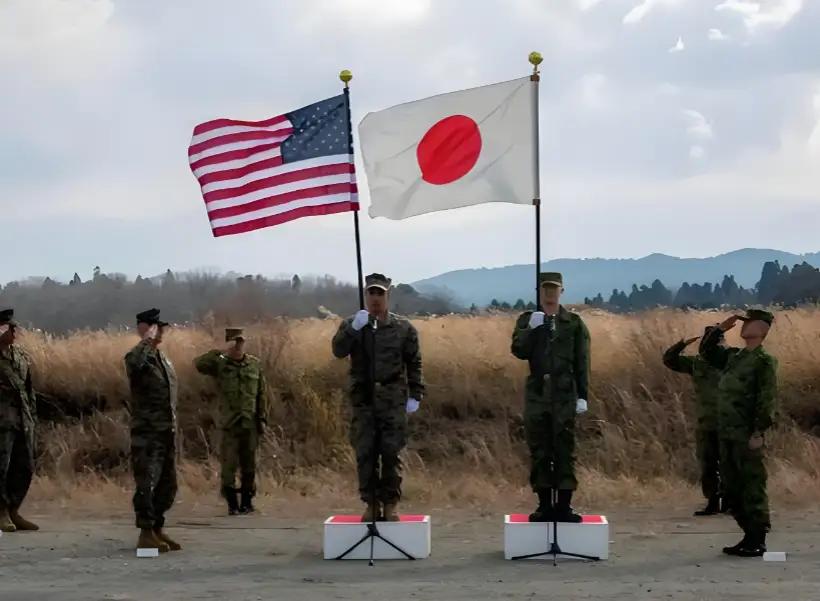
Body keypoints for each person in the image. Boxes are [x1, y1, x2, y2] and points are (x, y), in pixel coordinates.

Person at [331, 273, 425, 522]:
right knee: (366, 453)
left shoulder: (403, 327)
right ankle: (371, 503)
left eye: (380, 293)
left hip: (392, 398)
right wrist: (353, 330)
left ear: (387, 295)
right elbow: (338, 351)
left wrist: (416, 393)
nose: (375, 298)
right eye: (371, 293)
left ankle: (391, 503)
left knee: (392, 453)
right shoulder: (354, 324)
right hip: (364, 399)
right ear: (365, 295)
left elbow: (414, 362)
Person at [511, 273, 590, 523]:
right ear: (539, 291)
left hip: (565, 392)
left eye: (554, 289)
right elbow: (519, 351)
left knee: (564, 448)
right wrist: (532, 330)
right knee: (540, 450)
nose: (549, 293)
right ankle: (544, 505)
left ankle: (564, 506)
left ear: (562, 291)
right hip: (538, 392)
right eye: (545, 288)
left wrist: (583, 395)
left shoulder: (574, 323)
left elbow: (582, 361)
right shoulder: (528, 320)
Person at [699, 309, 777, 557]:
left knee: (751, 485)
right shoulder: (735, 357)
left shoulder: (764, 361)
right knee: (731, 488)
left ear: (762, 329)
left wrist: (758, 431)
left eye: (748, 323)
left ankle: (757, 538)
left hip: (746, 434)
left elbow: (766, 400)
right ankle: (747, 534)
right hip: (727, 433)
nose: (743, 327)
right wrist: (720, 329)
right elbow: (707, 353)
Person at [194, 328, 269, 516]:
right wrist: (219, 351)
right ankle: (232, 504)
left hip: (250, 423)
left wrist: (262, 419)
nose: (238, 346)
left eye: (240, 342)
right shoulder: (220, 364)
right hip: (230, 424)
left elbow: (262, 394)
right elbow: (199, 364)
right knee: (229, 466)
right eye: (234, 343)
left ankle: (247, 502)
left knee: (249, 466)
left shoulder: (254, 365)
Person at [124, 308, 181, 552]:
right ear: (144, 328)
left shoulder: (162, 359)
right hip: (146, 433)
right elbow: (135, 362)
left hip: (165, 431)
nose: (161, 332)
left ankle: (157, 528)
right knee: (147, 482)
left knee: (168, 485)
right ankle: (145, 536)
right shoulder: (137, 358)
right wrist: (146, 339)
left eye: (162, 328)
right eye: (156, 327)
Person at [663, 327, 727, 516]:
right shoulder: (697, 363)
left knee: (731, 464)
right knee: (707, 464)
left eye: (718, 339)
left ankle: (731, 501)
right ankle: (713, 501)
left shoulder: (732, 360)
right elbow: (669, 360)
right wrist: (682, 343)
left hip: (730, 420)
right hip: (706, 421)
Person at [0, 309, 39, 532]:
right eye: (9, 327)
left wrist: (32, 417)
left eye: (15, 327)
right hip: (2, 422)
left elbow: (29, 389)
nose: (15, 332)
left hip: (22, 421)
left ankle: (14, 509)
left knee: (24, 467)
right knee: (1, 469)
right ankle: (1, 511)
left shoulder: (20, 356)